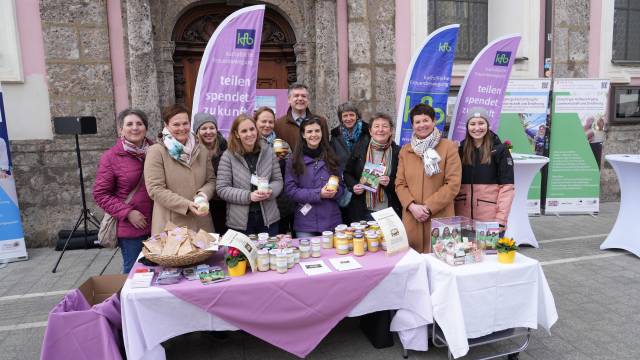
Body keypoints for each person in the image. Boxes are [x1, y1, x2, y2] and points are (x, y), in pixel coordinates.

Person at [395, 103, 461, 253]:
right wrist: (412, 206)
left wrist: (428, 207)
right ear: (412, 125)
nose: (422, 125)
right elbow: (400, 184)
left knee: (442, 262)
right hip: (413, 218)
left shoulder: (448, 147)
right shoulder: (406, 151)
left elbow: (453, 184)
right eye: (417, 122)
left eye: (426, 120)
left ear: (433, 122)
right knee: (413, 267)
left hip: (440, 218)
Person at [93, 109, 154, 273]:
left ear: (145, 128)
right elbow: (101, 194)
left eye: (139, 124)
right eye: (129, 124)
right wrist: (128, 213)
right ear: (121, 129)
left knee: (160, 274)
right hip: (131, 229)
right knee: (135, 274)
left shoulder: (157, 151)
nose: (135, 128)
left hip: (158, 225)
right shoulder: (111, 157)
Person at [144, 104, 215, 235]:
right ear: (166, 125)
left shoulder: (201, 149)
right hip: (172, 225)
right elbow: (155, 189)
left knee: (206, 256)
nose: (182, 128)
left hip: (201, 223)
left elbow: (211, 180)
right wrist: (186, 205)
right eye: (176, 124)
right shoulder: (156, 151)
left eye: (185, 123)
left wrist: (203, 194)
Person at [216, 114, 283, 236]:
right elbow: (222, 189)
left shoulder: (268, 151)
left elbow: (278, 180)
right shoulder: (228, 156)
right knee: (243, 256)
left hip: (268, 219)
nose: (249, 134)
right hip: (240, 222)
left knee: (268, 254)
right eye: (244, 131)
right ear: (237, 134)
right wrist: (249, 196)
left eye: (252, 129)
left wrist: (270, 191)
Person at [454, 108, 514, 234]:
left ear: (488, 125)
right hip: (463, 221)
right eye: (472, 124)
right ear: (467, 127)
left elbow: (507, 188)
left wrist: (501, 219)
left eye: (481, 123)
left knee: (489, 254)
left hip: (489, 222)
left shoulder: (500, 150)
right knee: (464, 253)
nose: (477, 128)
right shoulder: (460, 150)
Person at [285, 116, 344, 238]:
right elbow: (291, 190)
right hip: (305, 223)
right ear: (303, 134)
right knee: (307, 256)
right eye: (309, 131)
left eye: (317, 131)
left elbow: (342, 187)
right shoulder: (294, 160)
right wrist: (319, 193)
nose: (314, 135)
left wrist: (336, 192)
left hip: (331, 220)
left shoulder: (332, 157)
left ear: (322, 133)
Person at [344, 112, 401, 221]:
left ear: (391, 131)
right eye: (376, 126)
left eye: (385, 126)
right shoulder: (360, 149)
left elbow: (403, 181)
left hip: (388, 210)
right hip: (363, 210)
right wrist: (354, 186)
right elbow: (347, 173)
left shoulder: (398, 152)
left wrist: (390, 182)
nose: (380, 130)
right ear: (370, 131)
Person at [255, 106, 295, 234]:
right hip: (258, 201)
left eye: (270, 122)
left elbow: (292, 172)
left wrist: (288, 159)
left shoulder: (282, 144)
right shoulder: (250, 144)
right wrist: (272, 161)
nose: (267, 125)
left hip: (281, 202)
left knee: (279, 239)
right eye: (263, 121)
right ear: (255, 122)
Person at [193, 112, 228, 234]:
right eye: (203, 128)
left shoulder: (225, 148)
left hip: (223, 202)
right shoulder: (193, 151)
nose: (209, 132)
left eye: (212, 128)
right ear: (197, 131)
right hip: (202, 202)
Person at [274, 83, 329, 151]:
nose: (300, 98)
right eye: (296, 96)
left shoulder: (321, 121)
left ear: (308, 100)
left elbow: (326, 147)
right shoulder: (279, 124)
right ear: (289, 100)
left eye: (303, 96)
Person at [330, 102, 369, 170]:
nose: (349, 118)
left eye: (351, 115)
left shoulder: (368, 132)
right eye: (345, 116)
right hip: (343, 177)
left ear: (357, 116)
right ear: (341, 118)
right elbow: (332, 160)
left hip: (364, 177)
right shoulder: (335, 136)